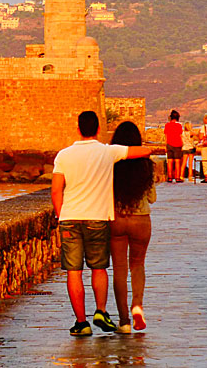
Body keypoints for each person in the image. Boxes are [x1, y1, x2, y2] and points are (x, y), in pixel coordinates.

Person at [51, 111, 152, 337]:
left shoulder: (63, 155)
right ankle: (102, 311)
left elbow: (56, 189)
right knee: (99, 267)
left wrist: (60, 215)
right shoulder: (108, 152)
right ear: (98, 129)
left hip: (70, 218)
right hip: (98, 217)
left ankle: (81, 322)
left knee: (74, 271)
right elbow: (146, 151)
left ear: (78, 129)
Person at [110, 121, 156, 333]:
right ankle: (137, 305)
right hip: (141, 220)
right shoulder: (147, 164)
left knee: (119, 269)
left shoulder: (111, 164)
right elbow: (152, 198)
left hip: (117, 219)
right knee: (137, 265)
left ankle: (124, 321)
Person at [163, 110, 183, 182]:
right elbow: (180, 135)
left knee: (170, 161)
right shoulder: (179, 125)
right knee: (177, 161)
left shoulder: (167, 125)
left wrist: (165, 145)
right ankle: (177, 177)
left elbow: (166, 136)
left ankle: (170, 177)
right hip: (177, 144)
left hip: (169, 144)